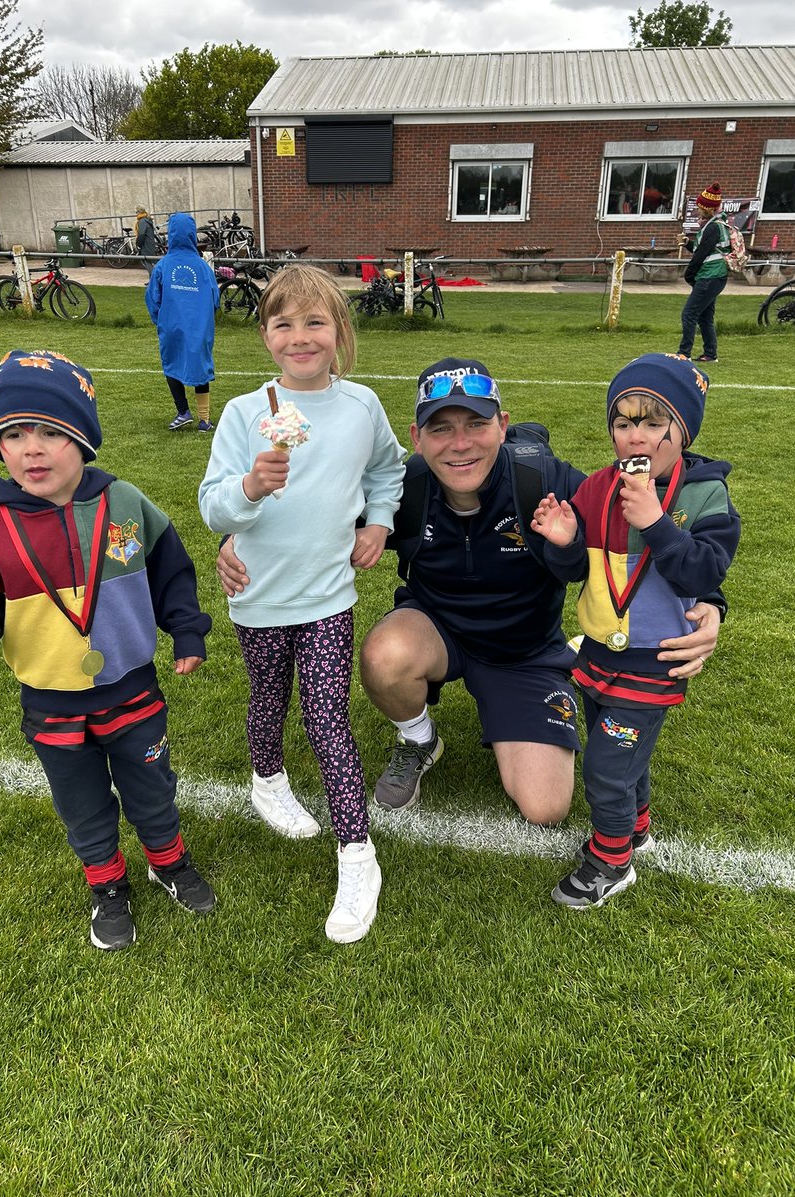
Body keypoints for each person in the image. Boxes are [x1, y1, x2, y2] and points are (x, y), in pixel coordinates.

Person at [218, 357, 722, 837]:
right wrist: (234, 543)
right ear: (416, 438)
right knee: (384, 655)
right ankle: (419, 739)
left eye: (476, 425)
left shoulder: (542, 480)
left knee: (545, 807)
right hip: (436, 632)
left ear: (503, 425)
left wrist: (711, 603)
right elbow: (312, 520)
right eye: (441, 428)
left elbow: (642, 515)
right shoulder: (405, 487)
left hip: (522, 653)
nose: (460, 445)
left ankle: (561, 670)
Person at [0, 350, 214, 952]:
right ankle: (106, 884)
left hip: (131, 686)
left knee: (152, 785)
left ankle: (167, 860)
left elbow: (171, 570)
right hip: (51, 702)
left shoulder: (126, 503)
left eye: (51, 432)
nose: (33, 449)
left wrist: (187, 630)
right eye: (15, 434)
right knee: (82, 802)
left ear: (84, 439)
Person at [198, 264, 405, 944]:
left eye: (315, 322)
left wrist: (378, 522)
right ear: (265, 336)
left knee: (326, 717)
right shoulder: (242, 414)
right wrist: (251, 489)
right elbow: (212, 506)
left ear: (339, 331)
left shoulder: (361, 406)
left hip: (326, 599)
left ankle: (357, 853)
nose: (300, 336)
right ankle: (266, 780)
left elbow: (387, 469)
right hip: (257, 595)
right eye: (283, 323)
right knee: (267, 699)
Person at [531, 353, 740, 908]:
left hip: (655, 659)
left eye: (652, 423)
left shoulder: (703, 495)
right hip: (598, 651)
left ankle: (612, 860)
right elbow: (574, 571)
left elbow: (704, 571)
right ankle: (637, 826)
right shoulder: (597, 486)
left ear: (683, 429)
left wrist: (654, 522)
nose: (636, 437)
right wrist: (562, 540)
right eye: (624, 423)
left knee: (606, 761)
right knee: (618, 751)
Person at [146, 212, 221, 433]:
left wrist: (159, 319)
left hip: (171, 326)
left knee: (171, 364)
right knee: (199, 367)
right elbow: (215, 297)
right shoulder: (202, 267)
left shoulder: (163, 266)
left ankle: (183, 412)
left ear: (170, 235)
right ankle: (204, 420)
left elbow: (152, 297)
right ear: (192, 235)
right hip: (199, 327)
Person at [677, 182, 730, 364]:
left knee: (689, 314)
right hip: (715, 276)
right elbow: (704, 249)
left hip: (710, 276)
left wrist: (689, 274)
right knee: (705, 316)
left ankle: (684, 353)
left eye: (699, 207)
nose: (697, 210)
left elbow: (701, 255)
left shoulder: (713, 227)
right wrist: (687, 244)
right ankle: (710, 353)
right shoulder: (715, 225)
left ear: (706, 208)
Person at [135, 205, 158, 276]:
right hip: (149, 243)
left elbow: (141, 234)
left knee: (147, 261)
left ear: (139, 212)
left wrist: (138, 244)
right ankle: (153, 279)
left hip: (146, 244)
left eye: (136, 212)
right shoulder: (146, 220)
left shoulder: (142, 221)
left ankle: (153, 279)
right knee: (150, 262)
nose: (136, 214)